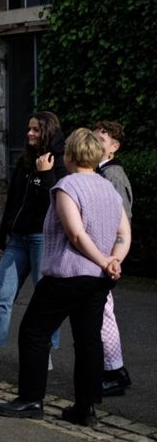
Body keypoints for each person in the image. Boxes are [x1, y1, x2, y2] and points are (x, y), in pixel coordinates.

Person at [0, 128, 130, 427]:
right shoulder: (108, 188)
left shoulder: (67, 185)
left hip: (68, 274)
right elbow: (123, 233)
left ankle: (31, 399)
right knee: (87, 340)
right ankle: (86, 408)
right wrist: (113, 261)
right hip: (98, 279)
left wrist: (103, 260)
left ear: (69, 155)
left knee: (33, 332)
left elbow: (76, 234)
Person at [0, 111, 65, 372]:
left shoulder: (59, 162)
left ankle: (45, 352)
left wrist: (45, 174)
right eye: (29, 129)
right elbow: (14, 201)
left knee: (45, 298)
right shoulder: (25, 161)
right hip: (18, 238)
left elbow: (56, 201)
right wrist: (1, 233)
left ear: (48, 132)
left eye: (36, 130)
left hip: (43, 237)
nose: (30, 134)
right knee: (1, 296)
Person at [92, 121, 133, 396]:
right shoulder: (99, 172)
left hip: (107, 256)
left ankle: (115, 371)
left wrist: (112, 258)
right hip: (100, 255)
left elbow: (122, 221)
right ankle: (109, 368)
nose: (95, 144)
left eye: (101, 140)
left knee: (104, 313)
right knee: (100, 312)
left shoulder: (113, 175)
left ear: (114, 147)